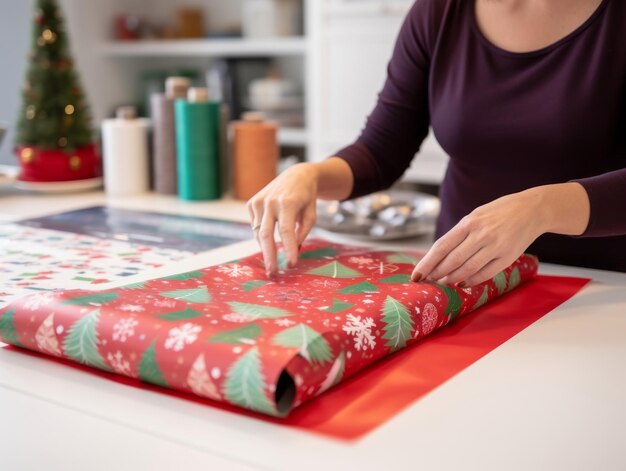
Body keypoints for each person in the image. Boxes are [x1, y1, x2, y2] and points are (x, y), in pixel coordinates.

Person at [247, 0, 626, 285]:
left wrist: (540, 207)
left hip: (598, 286)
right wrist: (309, 175)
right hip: (462, 283)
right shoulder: (439, 12)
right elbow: (381, 150)